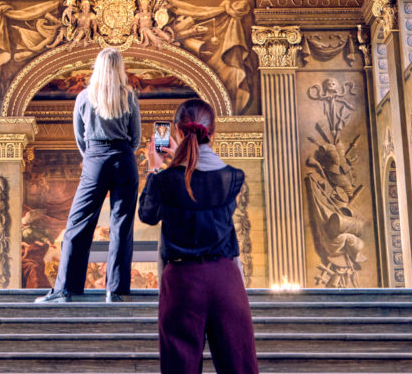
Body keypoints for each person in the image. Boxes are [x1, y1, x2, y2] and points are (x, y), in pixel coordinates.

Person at [139, 99, 259, 374]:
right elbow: (202, 181)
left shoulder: (164, 180)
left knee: (180, 368)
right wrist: (181, 157)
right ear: (212, 133)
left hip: (181, 280)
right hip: (225, 278)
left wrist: (156, 167)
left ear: (178, 132)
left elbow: (148, 215)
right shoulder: (233, 178)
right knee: (238, 365)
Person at [35, 47, 141, 303]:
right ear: (119, 68)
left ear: (97, 67)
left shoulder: (84, 97)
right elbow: (135, 136)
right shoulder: (129, 96)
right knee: (121, 227)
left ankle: (66, 289)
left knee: (78, 224)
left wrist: (94, 156)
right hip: (124, 159)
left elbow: (80, 136)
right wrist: (123, 153)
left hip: (94, 158)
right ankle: (116, 291)